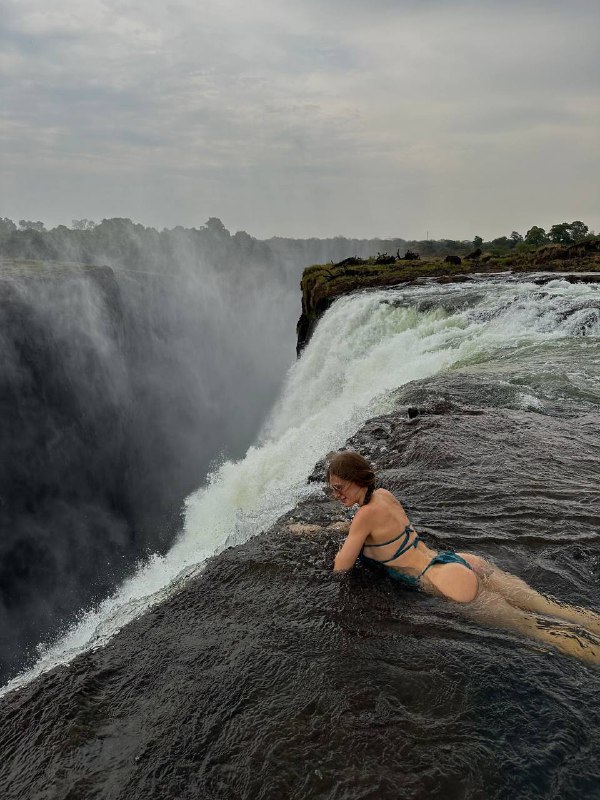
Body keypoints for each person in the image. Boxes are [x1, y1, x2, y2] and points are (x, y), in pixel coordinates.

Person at [326, 450, 600, 665]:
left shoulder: (362, 517)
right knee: (554, 609)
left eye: (340, 488)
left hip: (443, 580)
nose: (337, 495)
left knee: (537, 630)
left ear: (358, 480)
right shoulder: (384, 495)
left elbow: (342, 566)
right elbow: (371, 532)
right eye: (333, 490)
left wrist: (341, 543)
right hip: (460, 561)